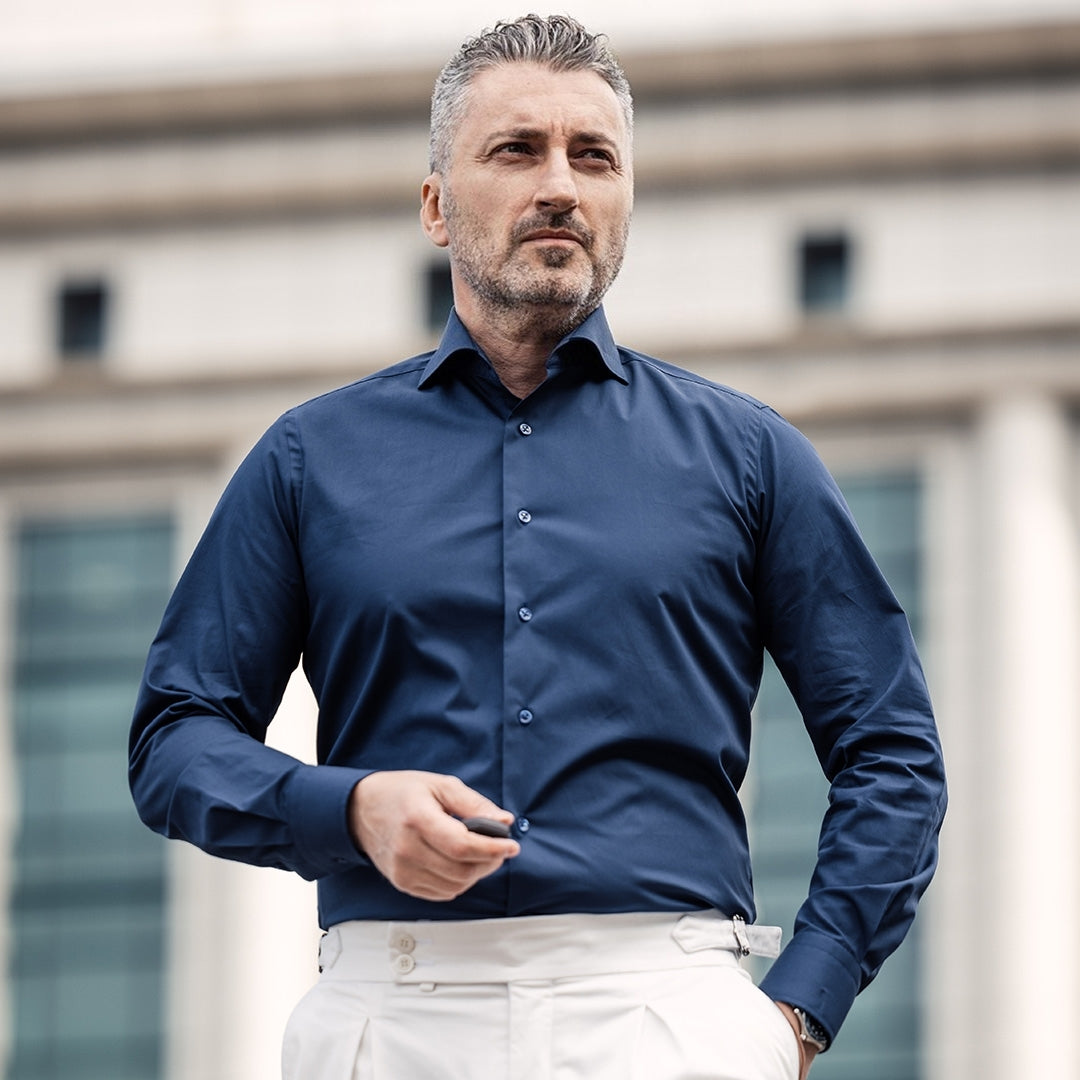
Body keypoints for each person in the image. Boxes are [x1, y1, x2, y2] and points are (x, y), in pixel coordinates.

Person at [129, 14, 946, 1080]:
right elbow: (175, 736)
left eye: (592, 156)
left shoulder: (752, 457)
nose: (560, 184)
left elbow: (891, 751)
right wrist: (351, 809)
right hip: (391, 1012)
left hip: (672, 1017)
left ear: (624, 203)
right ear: (435, 204)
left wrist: (799, 1007)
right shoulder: (306, 459)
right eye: (517, 150)